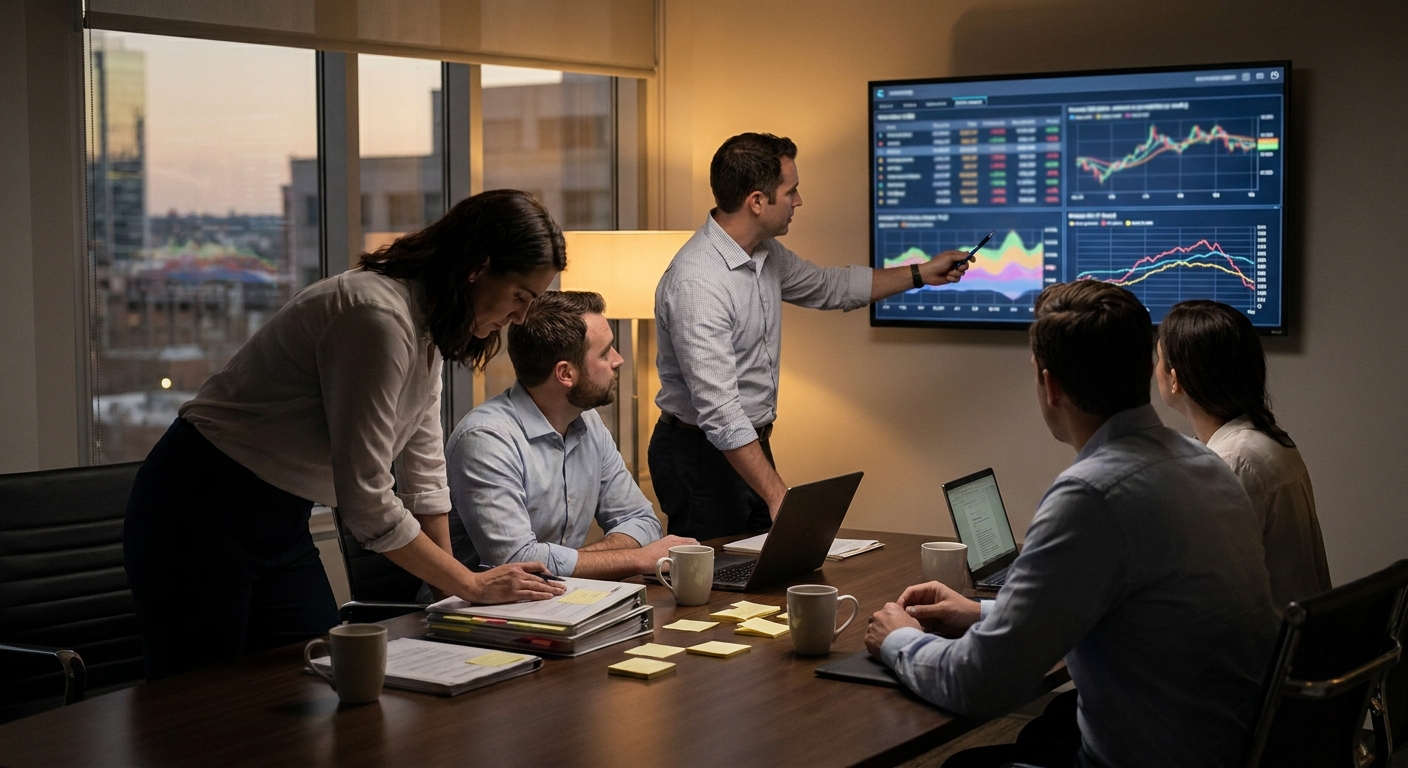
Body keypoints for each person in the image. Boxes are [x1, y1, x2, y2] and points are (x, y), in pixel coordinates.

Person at [124, 190, 568, 681]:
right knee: (198, 708)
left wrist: (454, 597)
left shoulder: (430, 325)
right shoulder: (375, 317)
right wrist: (472, 584)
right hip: (200, 505)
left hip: (279, 516)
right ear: (477, 268)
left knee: (315, 680)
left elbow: (423, 473)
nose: (522, 317)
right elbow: (368, 504)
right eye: (521, 297)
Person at [864, 281, 1278, 768]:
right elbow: (1127, 611)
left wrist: (897, 638)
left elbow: (980, 684)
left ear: (1050, 385)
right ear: (1147, 369)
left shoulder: (1091, 495)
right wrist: (979, 614)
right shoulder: (1204, 464)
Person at [650, 131, 973, 540]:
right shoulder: (698, 283)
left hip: (744, 445)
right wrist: (777, 493)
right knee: (715, 587)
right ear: (757, 202)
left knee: (761, 580)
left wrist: (921, 273)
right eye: (791, 191)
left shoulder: (764, 253)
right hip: (701, 456)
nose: (798, 201)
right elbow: (719, 413)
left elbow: (829, 286)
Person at [443, 291, 698, 579]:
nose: (619, 360)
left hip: (558, 601)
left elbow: (641, 521)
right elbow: (517, 562)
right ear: (566, 373)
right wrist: (637, 559)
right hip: (472, 614)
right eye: (605, 352)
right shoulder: (486, 440)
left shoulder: (587, 422)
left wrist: (565, 562)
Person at [1157, 299, 1331, 610]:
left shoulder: (1233, 462)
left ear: (1175, 379)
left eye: (1157, 359)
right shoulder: (1266, 441)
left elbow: (1207, 596)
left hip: (1262, 653)